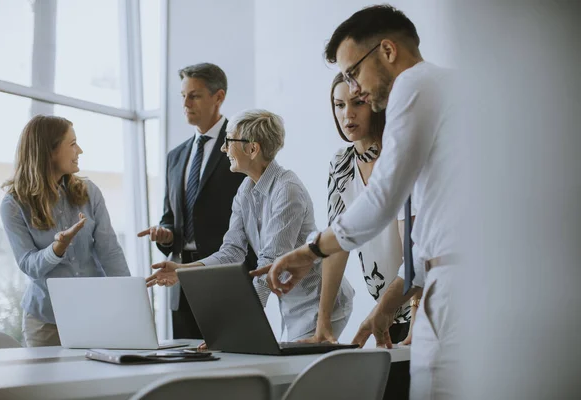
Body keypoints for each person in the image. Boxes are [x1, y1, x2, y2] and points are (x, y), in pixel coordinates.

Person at [254, 5, 458, 399]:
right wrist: (386, 306)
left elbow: (382, 199)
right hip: (437, 284)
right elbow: (434, 221)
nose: (355, 88)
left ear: (387, 50)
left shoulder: (413, 85)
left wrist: (309, 250)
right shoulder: (447, 90)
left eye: (353, 72)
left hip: (454, 292)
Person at [146, 109, 354, 342]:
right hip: (293, 304)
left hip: (322, 303)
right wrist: (183, 270)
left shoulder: (287, 189)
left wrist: (232, 329)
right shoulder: (245, 190)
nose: (223, 148)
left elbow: (269, 262)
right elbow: (231, 252)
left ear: (252, 149)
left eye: (228, 141)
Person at [137, 63, 256, 339]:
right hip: (181, 278)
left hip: (228, 275)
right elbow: (170, 216)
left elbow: (254, 211)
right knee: (186, 362)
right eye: (183, 96)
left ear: (219, 97)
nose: (186, 103)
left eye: (195, 95)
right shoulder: (175, 157)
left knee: (231, 360)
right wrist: (165, 234)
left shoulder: (243, 147)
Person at [302, 73, 421, 345]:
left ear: (375, 105)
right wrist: (322, 324)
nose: (348, 115)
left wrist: (417, 317)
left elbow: (416, 249)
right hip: (384, 310)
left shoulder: (397, 157)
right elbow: (337, 246)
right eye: (339, 105)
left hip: (421, 306)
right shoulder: (341, 165)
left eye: (357, 103)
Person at [0, 115, 130, 347]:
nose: (79, 150)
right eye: (72, 144)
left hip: (95, 314)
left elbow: (110, 252)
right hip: (45, 322)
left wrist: (130, 301)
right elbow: (28, 264)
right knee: (45, 384)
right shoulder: (13, 204)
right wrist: (56, 249)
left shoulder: (89, 192)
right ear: (49, 151)